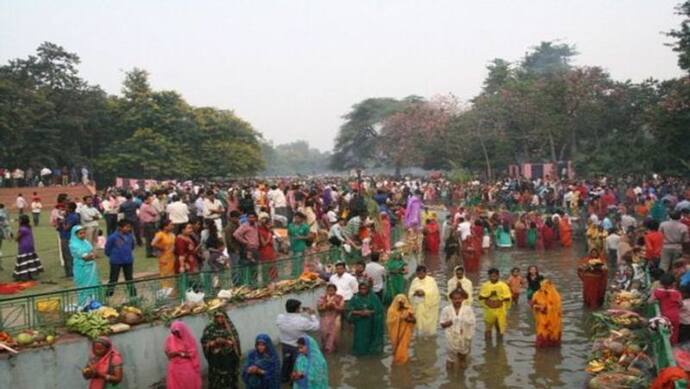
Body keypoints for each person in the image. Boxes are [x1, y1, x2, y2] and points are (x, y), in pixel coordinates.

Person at [276, 299, 320, 384]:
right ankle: (295, 382)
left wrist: (301, 310)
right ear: (297, 309)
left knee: (286, 363)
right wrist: (312, 315)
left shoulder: (280, 318)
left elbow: (289, 315)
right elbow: (316, 327)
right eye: (299, 307)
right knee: (298, 364)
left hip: (285, 345)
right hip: (297, 347)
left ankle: (284, 379)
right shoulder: (302, 321)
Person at [201, 311, 242, 389]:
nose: (220, 319)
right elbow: (204, 341)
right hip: (215, 359)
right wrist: (213, 343)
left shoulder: (229, 328)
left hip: (228, 358)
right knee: (216, 379)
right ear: (215, 318)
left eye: (222, 317)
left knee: (229, 378)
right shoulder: (210, 328)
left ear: (225, 317)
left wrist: (225, 341)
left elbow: (235, 341)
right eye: (217, 317)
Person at [346, 282, 385, 355]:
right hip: (360, 323)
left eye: (364, 289)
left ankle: (372, 353)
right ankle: (360, 353)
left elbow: (379, 310)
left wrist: (370, 312)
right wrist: (360, 312)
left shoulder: (374, 297)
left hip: (372, 322)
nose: (362, 290)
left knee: (372, 338)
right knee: (360, 339)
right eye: (361, 289)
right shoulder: (355, 298)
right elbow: (349, 310)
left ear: (368, 289)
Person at [440, 289, 476, 368]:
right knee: (450, 362)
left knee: (463, 356)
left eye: (459, 298)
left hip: (464, 335)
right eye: (455, 299)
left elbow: (472, 322)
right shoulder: (446, 310)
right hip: (451, 337)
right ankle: (450, 375)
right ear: (451, 299)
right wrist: (451, 322)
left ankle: (462, 361)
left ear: (463, 299)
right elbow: (442, 324)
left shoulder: (468, 309)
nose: (457, 301)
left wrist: (462, 322)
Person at [70, 225, 101, 306]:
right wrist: (91, 256)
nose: (83, 235)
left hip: (91, 268)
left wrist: (92, 255)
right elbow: (85, 257)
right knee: (83, 286)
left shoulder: (86, 242)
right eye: (80, 233)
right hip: (81, 268)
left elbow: (93, 253)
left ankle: (94, 303)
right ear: (75, 235)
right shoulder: (73, 245)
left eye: (84, 233)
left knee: (93, 284)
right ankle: (84, 304)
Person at [165, 321, 202, 389]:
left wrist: (179, 353)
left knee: (189, 384)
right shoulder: (170, 339)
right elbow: (167, 353)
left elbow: (192, 354)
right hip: (174, 368)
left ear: (182, 330)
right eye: (173, 332)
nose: (176, 334)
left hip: (187, 367)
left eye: (177, 332)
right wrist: (170, 354)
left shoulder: (189, 339)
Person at [478, 268, 512, 341]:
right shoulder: (485, 285)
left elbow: (508, 298)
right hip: (489, 310)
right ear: (489, 276)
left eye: (495, 275)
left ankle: (499, 345)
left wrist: (500, 298)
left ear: (498, 275)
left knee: (499, 327)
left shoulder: (503, 285)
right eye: (491, 275)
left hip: (500, 310)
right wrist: (489, 295)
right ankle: (488, 346)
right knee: (488, 328)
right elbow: (480, 297)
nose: (493, 277)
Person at [104, 220, 136, 297]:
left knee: (129, 279)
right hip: (116, 261)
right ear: (120, 228)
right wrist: (113, 256)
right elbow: (107, 249)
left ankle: (133, 295)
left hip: (128, 260)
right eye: (126, 227)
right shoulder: (113, 237)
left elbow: (132, 246)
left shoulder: (130, 236)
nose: (129, 229)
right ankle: (108, 295)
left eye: (129, 227)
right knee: (113, 279)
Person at [408, 265, 440, 337]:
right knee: (419, 326)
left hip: (429, 307)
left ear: (425, 273)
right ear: (416, 273)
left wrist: (424, 293)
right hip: (418, 307)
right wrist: (415, 293)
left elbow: (435, 293)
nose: (420, 275)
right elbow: (410, 293)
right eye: (418, 273)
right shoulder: (415, 280)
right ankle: (420, 338)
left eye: (422, 273)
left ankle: (430, 338)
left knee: (429, 329)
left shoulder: (431, 280)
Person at [650, 273, 682, 345]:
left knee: (664, 332)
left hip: (664, 316)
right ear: (674, 283)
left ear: (661, 283)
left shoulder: (658, 292)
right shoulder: (677, 293)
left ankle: (663, 345)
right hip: (674, 317)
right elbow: (680, 304)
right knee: (674, 333)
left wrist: (653, 292)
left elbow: (650, 301)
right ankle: (673, 347)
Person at [13, 213, 44, 281]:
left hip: (24, 246)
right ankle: (31, 274)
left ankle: (24, 276)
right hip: (30, 245)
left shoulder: (22, 229)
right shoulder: (28, 227)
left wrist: (13, 237)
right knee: (30, 260)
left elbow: (17, 238)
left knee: (24, 260)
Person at [531, 279, 562, 347]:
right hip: (542, 319)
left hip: (554, 320)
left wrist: (547, 308)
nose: (544, 289)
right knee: (542, 333)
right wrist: (538, 307)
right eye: (543, 286)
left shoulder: (556, 296)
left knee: (553, 334)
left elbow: (557, 308)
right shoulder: (537, 294)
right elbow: (532, 304)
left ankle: (552, 347)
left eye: (546, 287)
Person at [386, 294, 416, 364]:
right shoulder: (391, 310)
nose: (401, 304)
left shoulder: (409, 309)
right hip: (395, 333)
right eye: (399, 303)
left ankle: (403, 361)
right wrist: (399, 318)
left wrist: (408, 319)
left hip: (405, 332)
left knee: (403, 347)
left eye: (402, 302)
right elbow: (389, 322)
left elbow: (414, 321)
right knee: (395, 346)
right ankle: (396, 361)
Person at [234, 212, 260, 286]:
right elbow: (236, 234)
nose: (251, 219)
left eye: (253, 217)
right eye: (249, 217)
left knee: (255, 267)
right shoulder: (244, 226)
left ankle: (255, 284)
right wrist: (245, 242)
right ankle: (249, 284)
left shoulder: (256, 225)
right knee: (249, 267)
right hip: (249, 249)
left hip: (256, 249)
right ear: (247, 218)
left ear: (255, 218)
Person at [317, 284, 345, 353]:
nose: (330, 292)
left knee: (334, 335)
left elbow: (342, 309)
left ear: (335, 290)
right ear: (326, 290)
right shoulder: (322, 297)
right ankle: (325, 348)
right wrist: (326, 306)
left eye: (332, 290)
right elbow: (319, 308)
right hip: (325, 318)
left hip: (335, 318)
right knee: (324, 333)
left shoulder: (340, 297)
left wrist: (335, 306)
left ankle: (333, 349)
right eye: (329, 290)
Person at [151, 220, 177, 290]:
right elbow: (153, 243)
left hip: (172, 257)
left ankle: (172, 291)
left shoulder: (172, 234)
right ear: (165, 227)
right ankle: (165, 291)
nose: (172, 226)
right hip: (164, 258)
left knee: (172, 274)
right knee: (165, 275)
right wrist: (161, 248)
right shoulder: (160, 234)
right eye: (171, 225)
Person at [59, 202, 81, 278]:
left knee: (69, 256)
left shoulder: (73, 217)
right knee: (65, 255)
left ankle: (72, 273)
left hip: (69, 238)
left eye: (67, 207)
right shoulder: (68, 216)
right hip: (64, 237)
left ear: (71, 209)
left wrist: (62, 222)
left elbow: (66, 228)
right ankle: (67, 273)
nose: (65, 208)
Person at [288, 212, 311, 278]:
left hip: (300, 247)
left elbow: (309, 236)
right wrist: (288, 242)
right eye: (295, 217)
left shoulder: (305, 226)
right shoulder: (290, 225)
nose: (296, 219)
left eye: (298, 218)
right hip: (292, 247)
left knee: (299, 262)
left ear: (301, 219)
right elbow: (289, 234)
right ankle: (294, 275)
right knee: (293, 262)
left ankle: (299, 275)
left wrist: (301, 237)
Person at [258, 215, 278, 284]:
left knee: (273, 267)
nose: (270, 225)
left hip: (271, 251)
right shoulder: (261, 231)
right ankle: (266, 282)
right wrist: (269, 236)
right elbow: (263, 243)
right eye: (268, 224)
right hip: (265, 252)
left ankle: (273, 281)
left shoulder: (270, 231)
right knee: (266, 268)